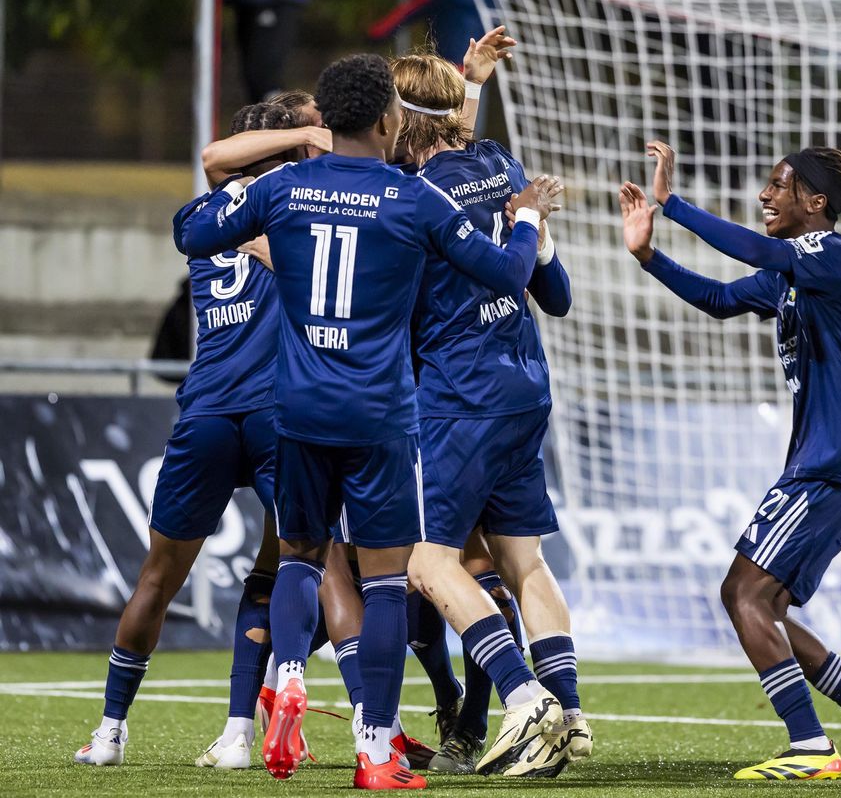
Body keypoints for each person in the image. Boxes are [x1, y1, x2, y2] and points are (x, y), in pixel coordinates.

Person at [178, 52, 562, 790]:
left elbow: (189, 229)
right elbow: (512, 275)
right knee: (387, 585)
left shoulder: (282, 186)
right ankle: (377, 752)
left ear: (325, 120)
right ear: (388, 120)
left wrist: (247, 205)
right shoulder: (412, 200)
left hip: (297, 410)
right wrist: (528, 220)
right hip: (382, 416)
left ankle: (287, 674)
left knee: (297, 558)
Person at [619, 141, 841, 781]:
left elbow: (755, 251)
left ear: (815, 202)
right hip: (836, 454)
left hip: (837, 455)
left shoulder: (831, 255)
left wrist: (671, 205)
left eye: (779, 187)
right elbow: (723, 299)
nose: (765, 196)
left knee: (742, 593)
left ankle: (810, 747)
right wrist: (648, 256)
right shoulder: (795, 271)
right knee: (763, 602)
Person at [72, 102, 300, 770]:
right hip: (275, 412)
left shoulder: (197, 220)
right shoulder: (296, 212)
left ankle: (110, 732)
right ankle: (258, 726)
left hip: (205, 410)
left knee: (156, 579)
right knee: (304, 567)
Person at [389, 50, 591, 778]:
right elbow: (557, 294)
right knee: (522, 558)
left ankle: (521, 697)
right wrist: (530, 222)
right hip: (525, 385)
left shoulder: (411, 195)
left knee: (428, 562)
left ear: (403, 119)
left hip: (460, 393)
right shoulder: (507, 168)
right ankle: (568, 711)